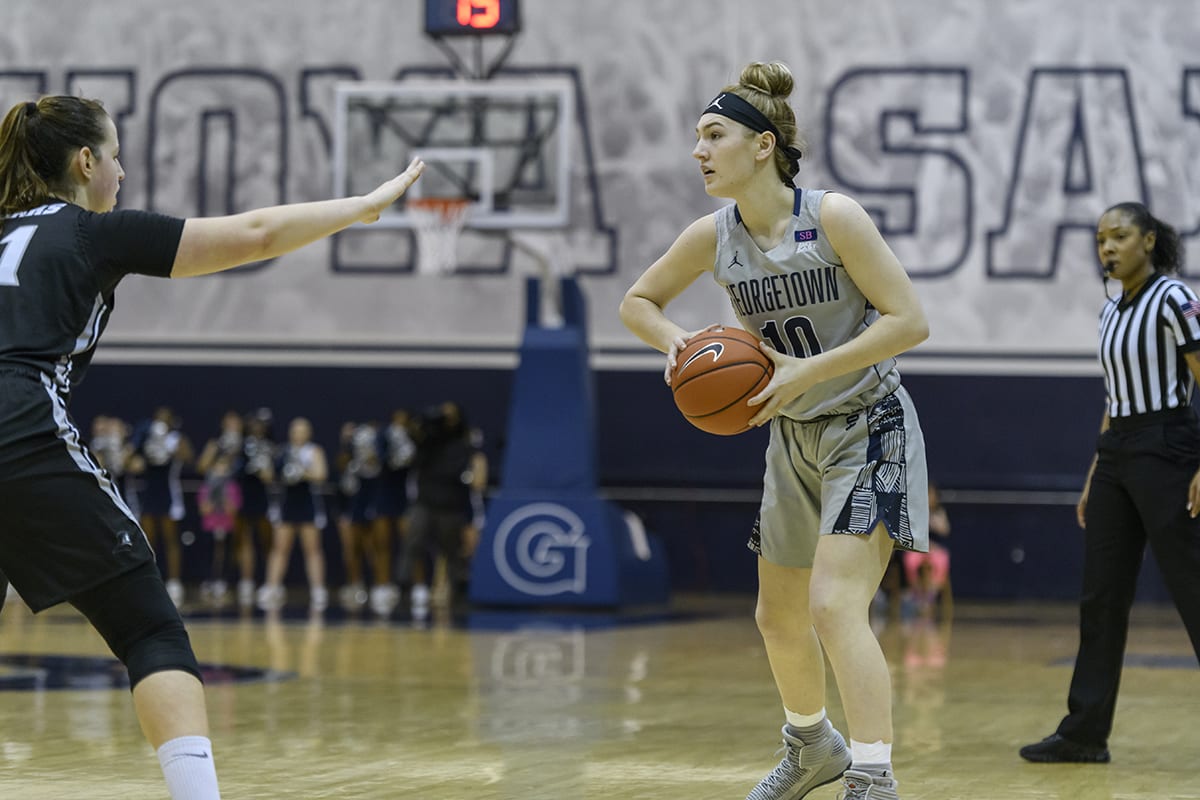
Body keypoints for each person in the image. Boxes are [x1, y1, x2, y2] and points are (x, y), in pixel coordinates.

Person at [0, 94, 423, 799]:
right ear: (84, 162)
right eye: (114, 156)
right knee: (148, 629)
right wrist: (360, 207)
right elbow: (255, 234)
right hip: (18, 420)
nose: (122, 171)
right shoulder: (88, 233)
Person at [619, 62, 930, 800]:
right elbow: (638, 300)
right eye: (697, 137)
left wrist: (809, 369)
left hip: (868, 424)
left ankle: (873, 775)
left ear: (762, 147)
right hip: (791, 436)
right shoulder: (714, 234)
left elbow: (910, 322)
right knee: (777, 614)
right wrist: (676, 344)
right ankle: (811, 747)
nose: (698, 150)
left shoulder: (834, 218)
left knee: (832, 604)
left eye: (713, 135)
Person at [1020, 202, 1200, 765]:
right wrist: (1095, 472)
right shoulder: (1109, 312)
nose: (1108, 248)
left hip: (1169, 446)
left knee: (1192, 587)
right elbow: (1114, 396)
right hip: (1118, 452)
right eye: (1101, 239)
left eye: (1120, 236)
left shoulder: (1173, 298)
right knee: (1101, 597)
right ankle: (1083, 732)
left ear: (1149, 241)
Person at [402, 401, 487, 619]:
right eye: (443, 415)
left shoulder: (464, 445)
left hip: (452, 506)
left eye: (451, 416)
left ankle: (460, 592)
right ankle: (405, 586)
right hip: (426, 502)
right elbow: (413, 440)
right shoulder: (428, 441)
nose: (445, 420)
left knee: (454, 551)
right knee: (413, 542)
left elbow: (477, 480)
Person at [257, 416, 330, 613]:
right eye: (295, 430)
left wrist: (303, 473)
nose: (298, 434)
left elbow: (322, 474)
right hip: (287, 503)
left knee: (312, 549)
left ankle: (318, 590)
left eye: (302, 430)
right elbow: (270, 476)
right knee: (279, 548)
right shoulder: (282, 451)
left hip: (308, 503)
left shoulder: (314, 451)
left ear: (309, 433)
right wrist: (263, 465)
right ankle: (272, 587)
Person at [128, 406, 194, 606]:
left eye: (166, 418)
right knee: (148, 541)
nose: (161, 421)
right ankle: (149, 581)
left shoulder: (175, 438)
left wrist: (173, 442)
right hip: (149, 494)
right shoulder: (145, 438)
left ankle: (175, 584)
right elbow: (129, 462)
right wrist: (138, 443)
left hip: (169, 494)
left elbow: (188, 457)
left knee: (171, 539)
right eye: (159, 417)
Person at [196, 410, 256, 606]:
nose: (232, 426)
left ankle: (240, 582)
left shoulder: (248, 445)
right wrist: (218, 451)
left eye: (235, 423)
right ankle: (210, 580)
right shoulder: (216, 444)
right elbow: (202, 467)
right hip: (215, 501)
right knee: (212, 544)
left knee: (240, 540)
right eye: (228, 423)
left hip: (239, 494)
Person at [901, 482, 951, 619]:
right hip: (918, 549)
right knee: (911, 560)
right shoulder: (915, 512)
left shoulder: (939, 512)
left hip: (934, 549)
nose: (929, 498)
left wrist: (933, 522)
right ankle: (916, 595)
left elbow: (945, 530)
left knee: (940, 561)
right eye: (926, 494)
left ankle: (930, 596)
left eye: (932, 495)